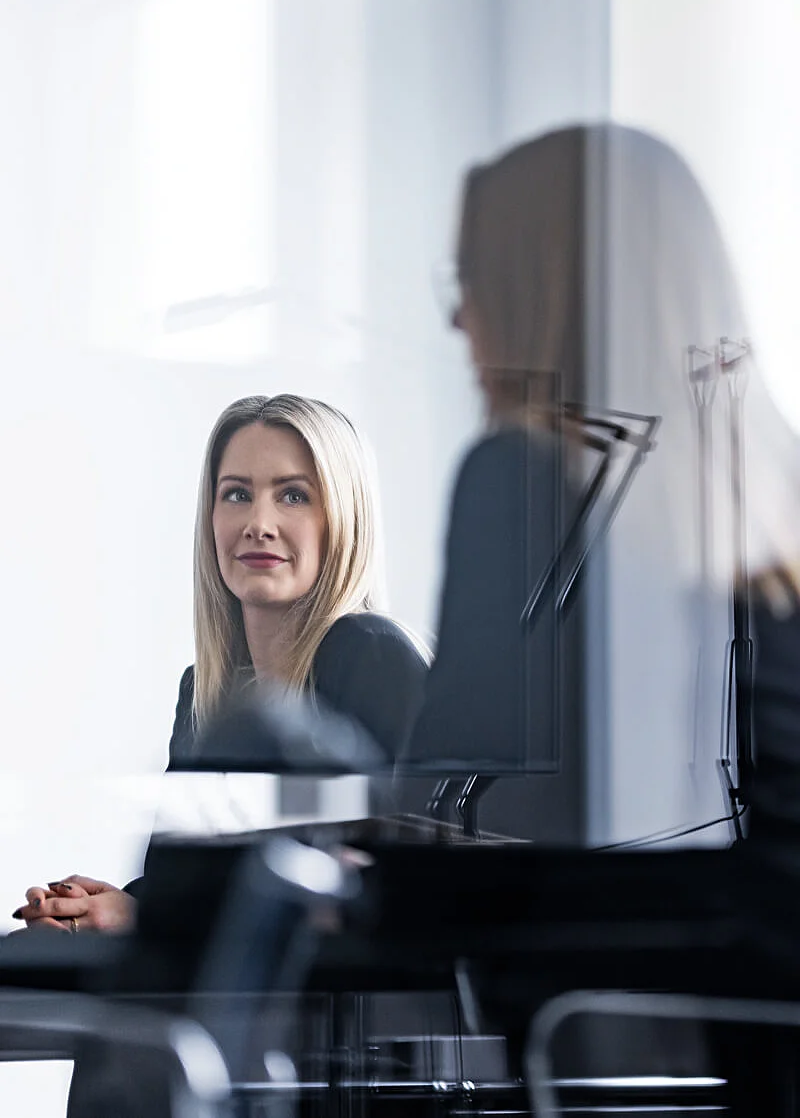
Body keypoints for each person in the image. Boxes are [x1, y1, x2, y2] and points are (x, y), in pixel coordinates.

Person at [398, 124, 800, 850]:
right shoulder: (781, 494)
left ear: (536, 300)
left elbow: (442, 815)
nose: (459, 320)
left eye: (473, 282)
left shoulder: (524, 481)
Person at [13, 393, 428, 932]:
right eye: (236, 494)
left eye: (294, 496)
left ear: (343, 519)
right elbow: (191, 884)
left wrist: (152, 920)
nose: (259, 522)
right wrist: (112, 910)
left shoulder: (372, 652)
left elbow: (358, 899)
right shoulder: (204, 691)